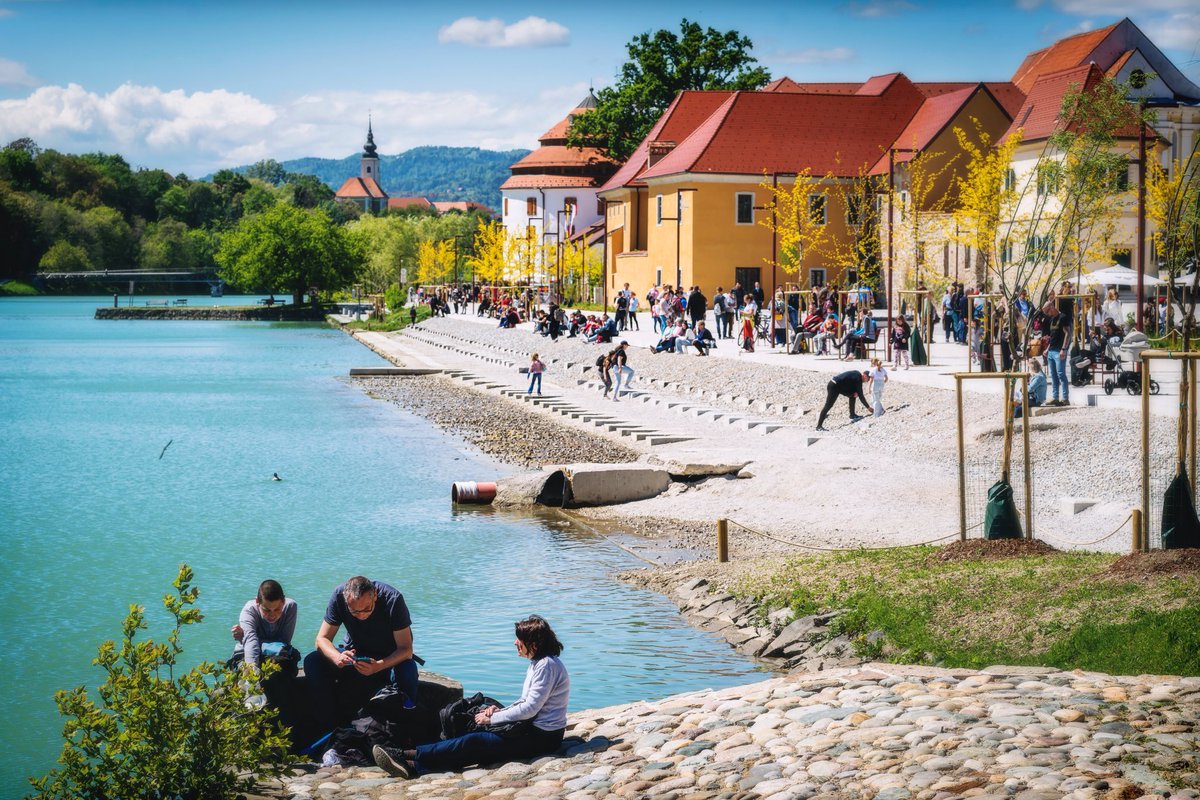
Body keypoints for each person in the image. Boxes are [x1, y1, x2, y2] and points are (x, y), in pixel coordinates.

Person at [373, 616, 568, 779]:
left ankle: (406, 757)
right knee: (477, 741)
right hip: (534, 731)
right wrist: (501, 711)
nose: (515, 643)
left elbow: (530, 709)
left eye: (519, 639)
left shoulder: (546, 666)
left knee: (476, 742)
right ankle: (414, 764)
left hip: (542, 737)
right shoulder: (540, 663)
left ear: (533, 643)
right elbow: (526, 702)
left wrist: (492, 718)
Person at [303, 576, 420, 734]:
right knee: (313, 661)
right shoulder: (338, 596)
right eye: (354, 612)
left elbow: (406, 649)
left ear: (375, 596)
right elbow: (321, 639)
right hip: (356, 656)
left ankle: (405, 730)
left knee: (408, 670)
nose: (362, 615)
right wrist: (337, 657)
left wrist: (378, 666)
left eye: (367, 609)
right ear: (346, 600)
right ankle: (329, 726)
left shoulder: (393, 599)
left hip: (388, 659)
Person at [1045, 302, 1071, 406]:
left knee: (1061, 374)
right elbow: (1052, 336)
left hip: (1059, 351)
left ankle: (1065, 398)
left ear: (1051, 307)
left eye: (1047, 311)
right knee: (1053, 375)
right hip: (1051, 351)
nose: (1047, 314)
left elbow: (1068, 333)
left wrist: (1064, 349)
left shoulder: (1063, 317)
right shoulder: (1051, 319)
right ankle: (1055, 397)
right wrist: (1047, 349)